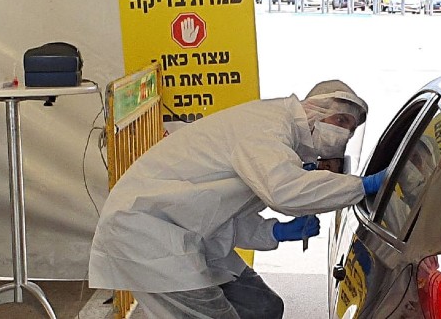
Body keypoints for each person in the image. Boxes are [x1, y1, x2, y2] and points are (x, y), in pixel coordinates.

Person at [89, 79, 388, 319]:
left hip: (188, 232)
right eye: (340, 119)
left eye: (351, 128)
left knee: (264, 308)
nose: (343, 132)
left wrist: (274, 231)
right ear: (314, 109)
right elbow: (284, 191)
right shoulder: (268, 127)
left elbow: (222, 210)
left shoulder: (285, 144)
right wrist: (362, 186)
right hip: (146, 234)